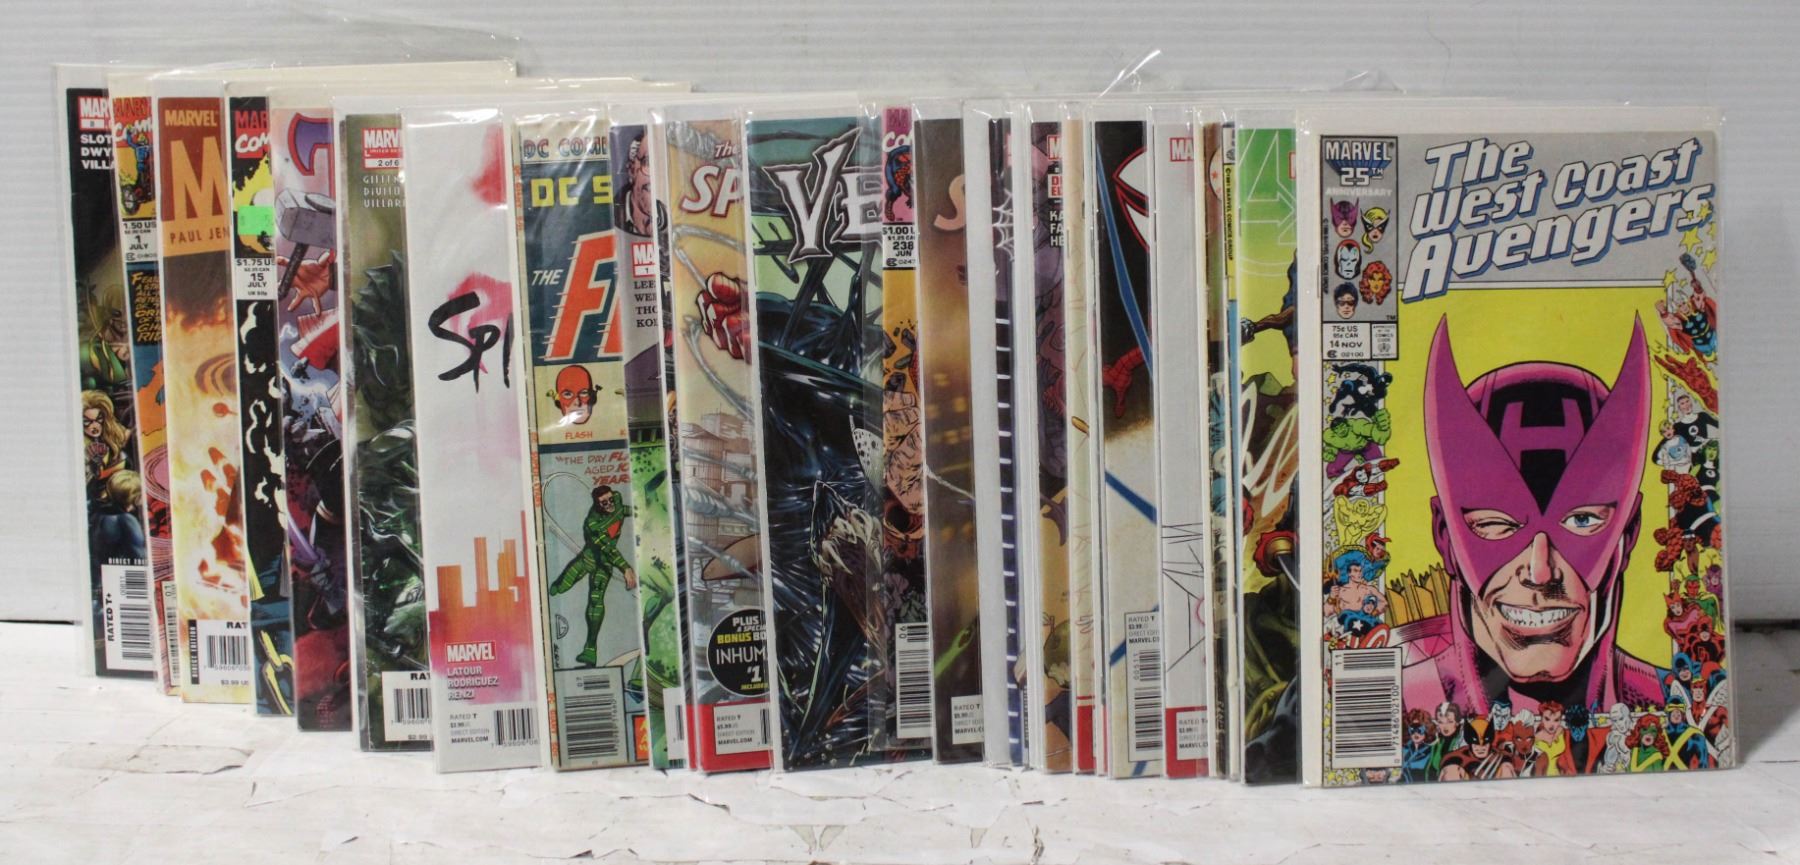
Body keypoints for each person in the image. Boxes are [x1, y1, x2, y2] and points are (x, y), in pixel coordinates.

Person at [1404, 318, 1661, 721]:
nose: (1541, 573)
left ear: (1627, 536)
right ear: (1445, 537)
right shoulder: (1400, 708)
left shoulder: (1673, 706)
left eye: (1581, 521)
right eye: (1496, 524)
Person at [550, 484, 638, 667]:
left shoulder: (617, 500)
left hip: (604, 567)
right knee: (560, 587)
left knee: (595, 602)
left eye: (610, 499)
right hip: (588, 559)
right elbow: (607, 548)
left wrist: (640, 512)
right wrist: (626, 568)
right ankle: (553, 589)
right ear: (598, 504)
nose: (610, 504)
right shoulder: (592, 522)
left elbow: (623, 510)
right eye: (604, 503)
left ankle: (590, 650)